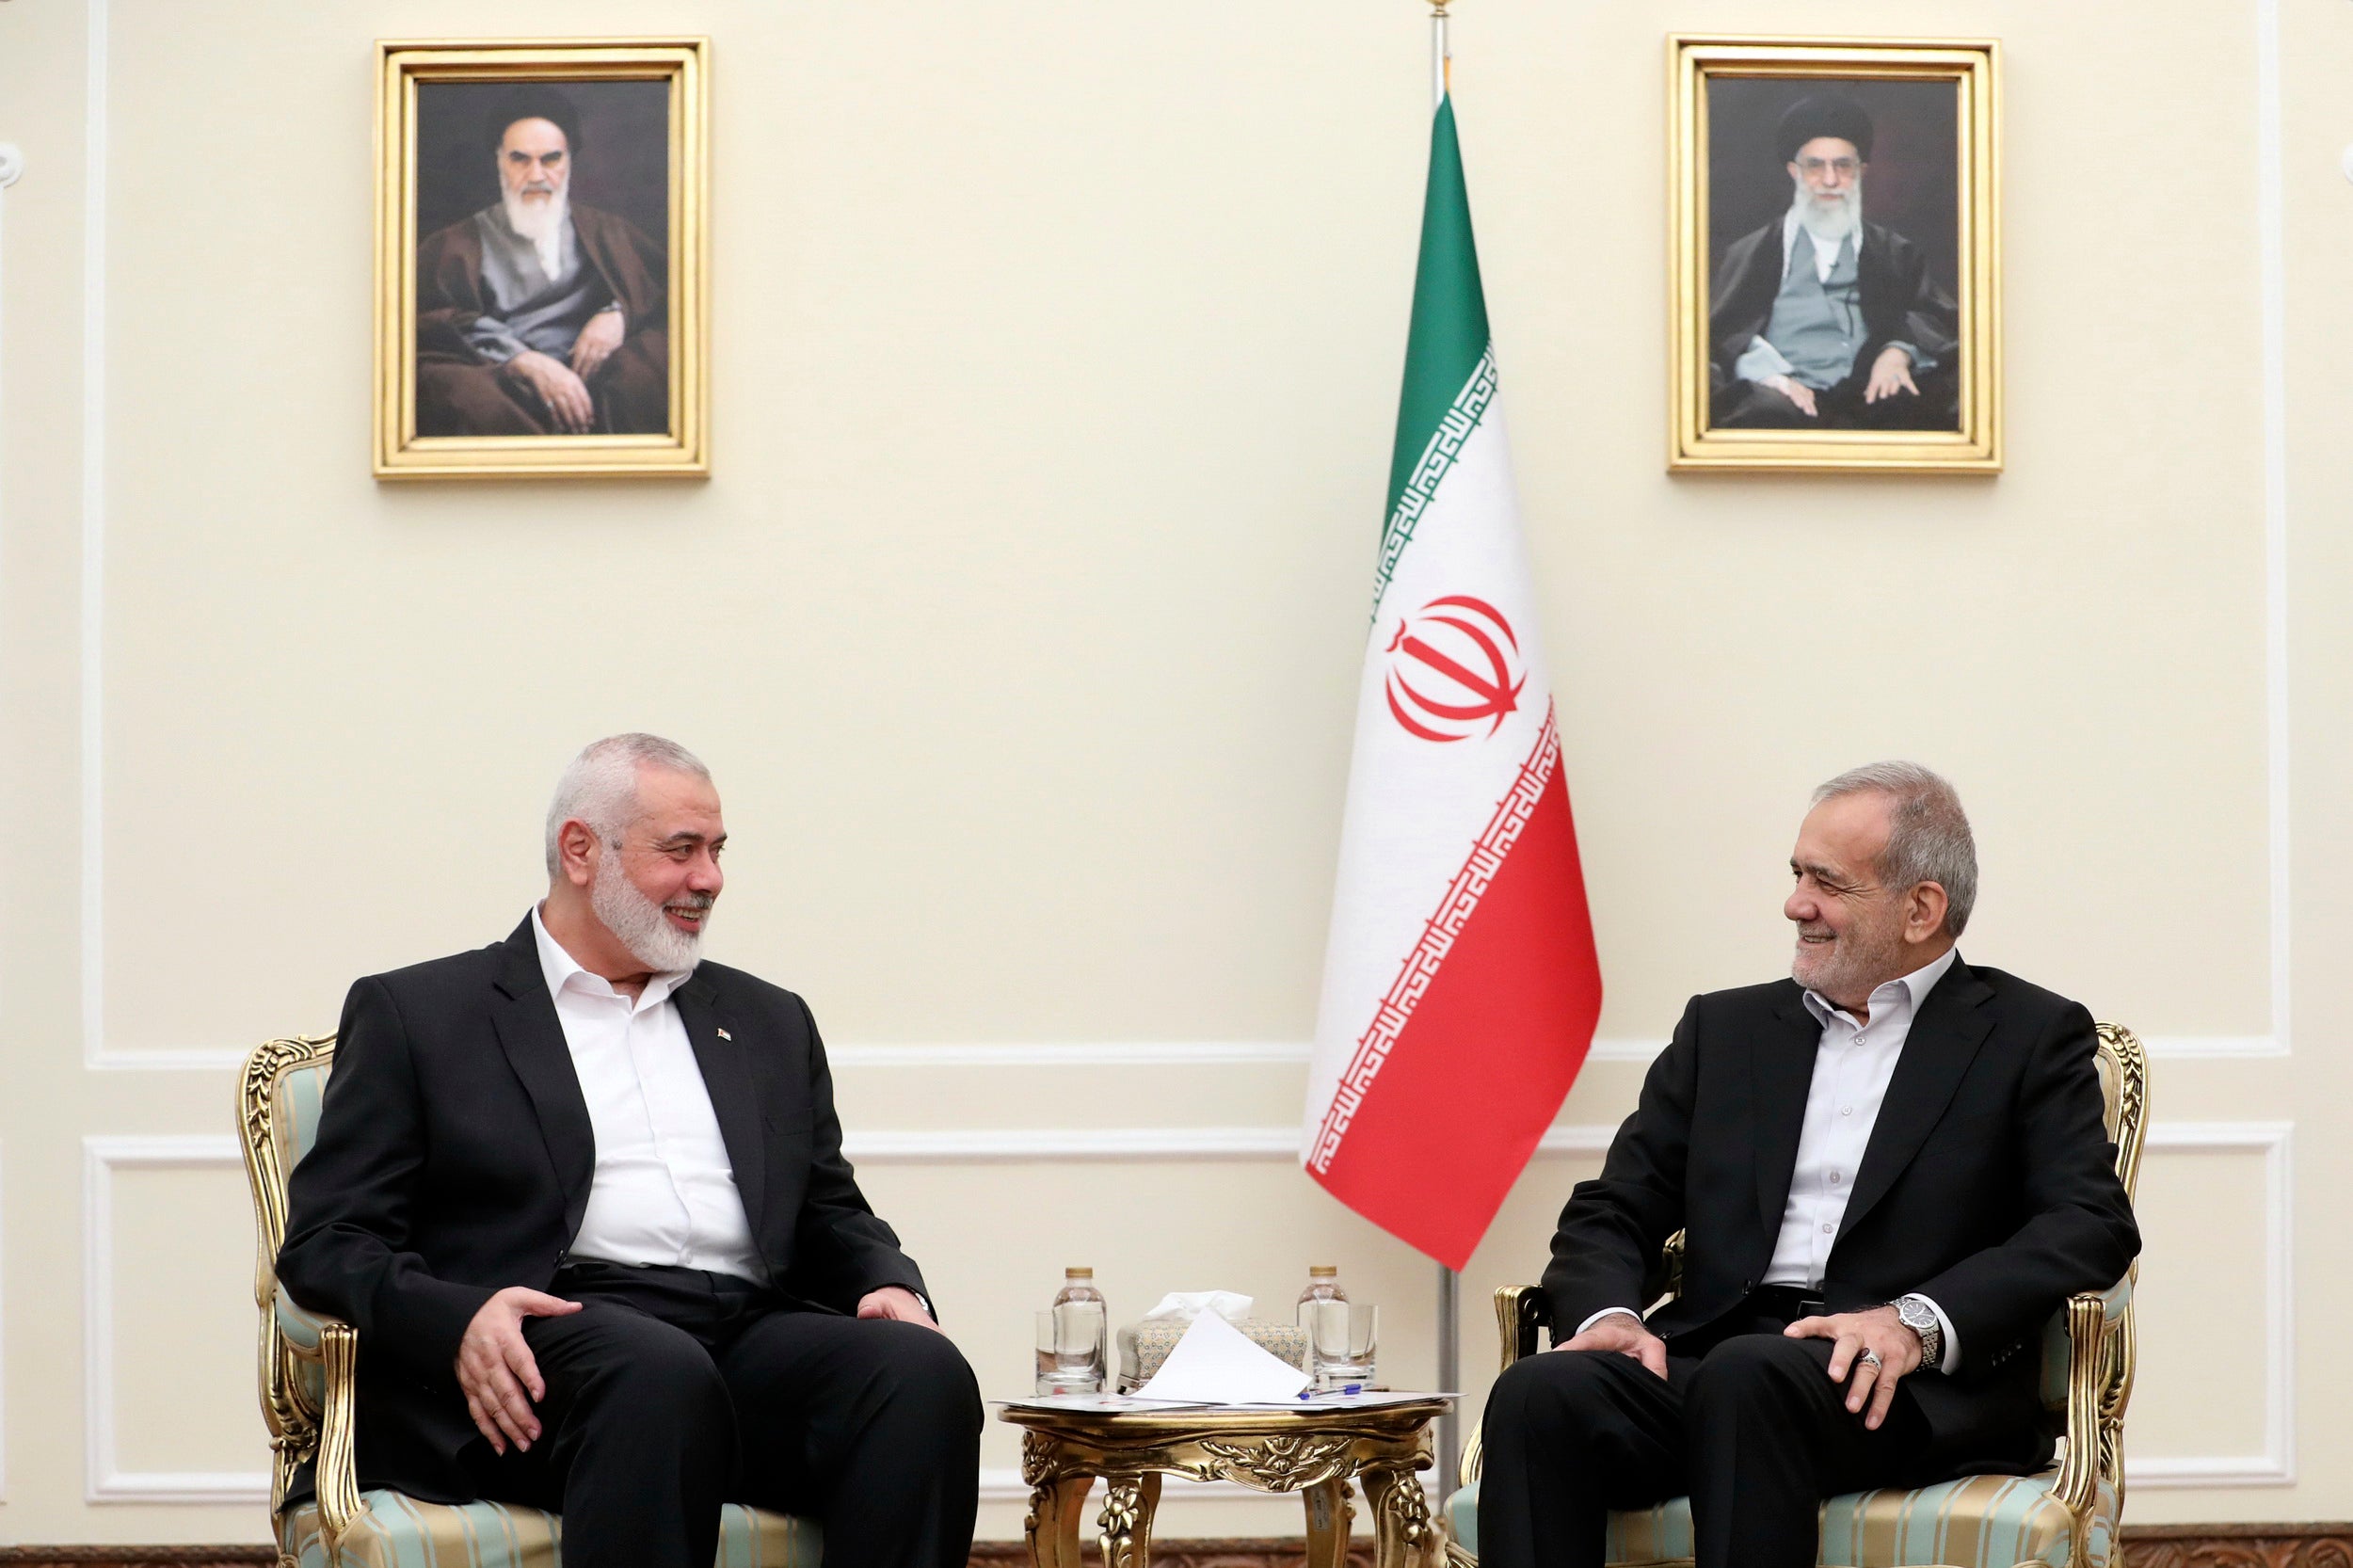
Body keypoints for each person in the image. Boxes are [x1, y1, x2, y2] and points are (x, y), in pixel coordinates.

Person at [279, 733, 981, 1568]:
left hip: (744, 1335)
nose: (709, 879)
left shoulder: (767, 1019)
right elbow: (328, 1244)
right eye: (680, 851)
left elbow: (827, 1206)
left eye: (717, 851)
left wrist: (884, 1281)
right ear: (581, 850)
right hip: (557, 1342)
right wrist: (458, 1317)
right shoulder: (421, 1013)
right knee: (655, 1372)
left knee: (918, 1375)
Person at [1476, 762, 2139, 1568]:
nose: (1796, 903)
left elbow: (2089, 1221)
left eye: (1827, 882)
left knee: (1750, 1379)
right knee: (1541, 1395)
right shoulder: (1725, 1031)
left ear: (1921, 909)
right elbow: (1615, 1205)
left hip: (1898, 1390)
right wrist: (1608, 1316)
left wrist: (1916, 1322)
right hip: (1717, 1361)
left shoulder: (2027, 1036)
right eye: (1797, 874)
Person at [414, 87, 669, 437]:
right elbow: (436, 322)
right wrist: (526, 363)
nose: (535, 175)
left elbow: (663, 292)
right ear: (498, 161)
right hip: (503, 378)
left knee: (653, 364)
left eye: (550, 159)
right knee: (461, 393)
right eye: (519, 159)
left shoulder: (609, 232)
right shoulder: (453, 244)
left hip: (598, 377)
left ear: (569, 162)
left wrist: (617, 314)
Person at [1708, 95, 1961, 431]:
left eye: (1843, 166)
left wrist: (1898, 351)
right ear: (1794, 172)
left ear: (1861, 173)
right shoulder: (1754, 251)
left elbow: (1934, 318)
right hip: (1784, 396)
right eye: (1815, 166)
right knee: (1762, 414)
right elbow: (1725, 334)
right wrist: (1771, 376)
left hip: (1869, 393)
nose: (1830, 180)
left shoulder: (1894, 252)